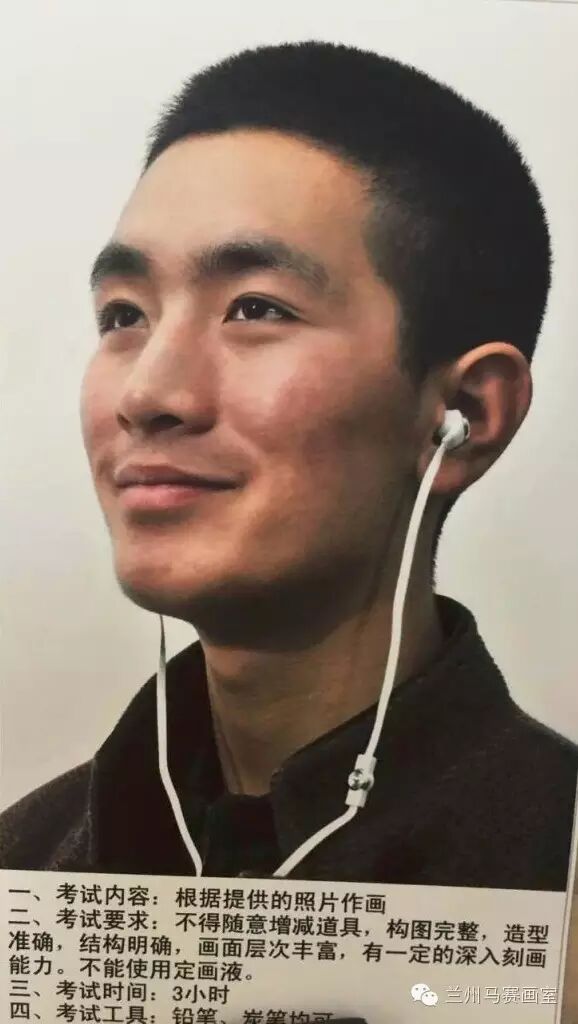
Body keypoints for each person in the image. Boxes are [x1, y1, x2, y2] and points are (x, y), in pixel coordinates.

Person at [1, 41, 577, 894]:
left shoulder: (554, 862)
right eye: (124, 315)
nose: (148, 393)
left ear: (466, 415)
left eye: (255, 308)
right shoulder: (25, 868)